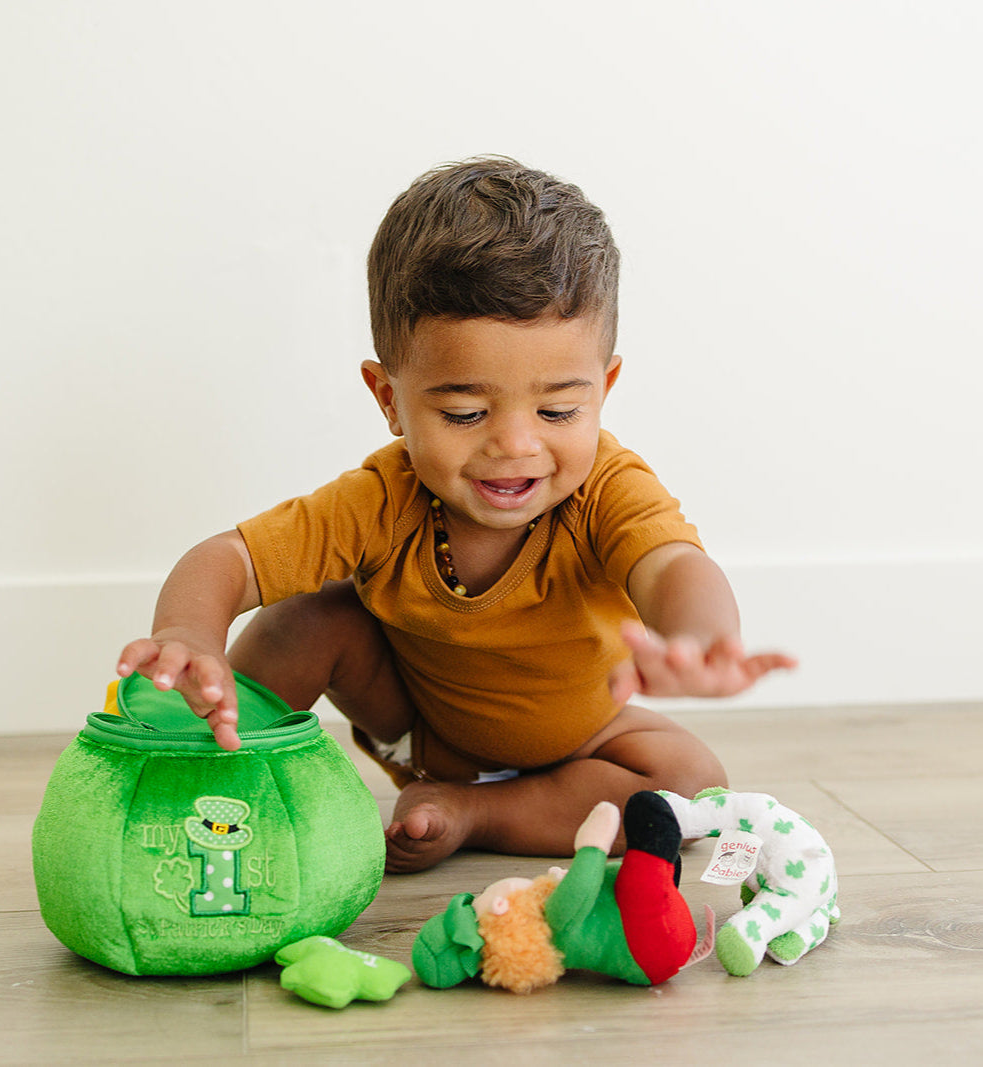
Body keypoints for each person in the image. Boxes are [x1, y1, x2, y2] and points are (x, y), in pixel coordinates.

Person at [117, 156, 796, 873]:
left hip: (576, 749)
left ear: (605, 386)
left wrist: (699, 639)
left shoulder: (606, 488)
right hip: (414, 728)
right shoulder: (382, 499)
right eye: (466, 413)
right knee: (305, 616)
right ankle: (216, 775)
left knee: (691, 781)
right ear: (390, 400)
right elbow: (229, 557)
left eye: (558, 411)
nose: (515, 444)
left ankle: (475, 811)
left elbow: (672, 565)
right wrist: (189, 634)